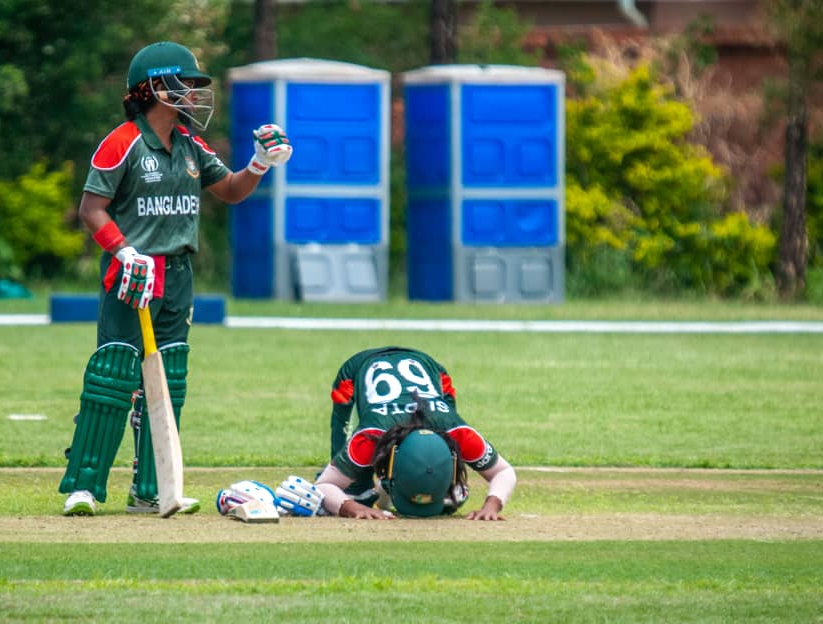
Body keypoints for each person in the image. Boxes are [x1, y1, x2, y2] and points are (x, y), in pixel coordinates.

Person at [58, 41, 292, 516]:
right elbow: (92, 208)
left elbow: (228, 190)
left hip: (178, 276)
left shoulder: (190, 146)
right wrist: (123, 251)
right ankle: (83, 487)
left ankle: (152, 490)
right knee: (113, 376)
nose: (191, 93)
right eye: (183, 84)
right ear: (153, 89)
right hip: (132, 273)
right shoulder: (121, 142)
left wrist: (260, 165)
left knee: (169, 380)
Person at [313, 346, 517, 520]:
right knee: (356, 491)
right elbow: (323, 484)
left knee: (448, 489)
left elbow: (504, 471)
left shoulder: (458, 433)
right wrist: (352, 506)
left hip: (432, 368)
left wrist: (492, 506)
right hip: (360, 365)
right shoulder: (368, 437)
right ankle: (362, 480)